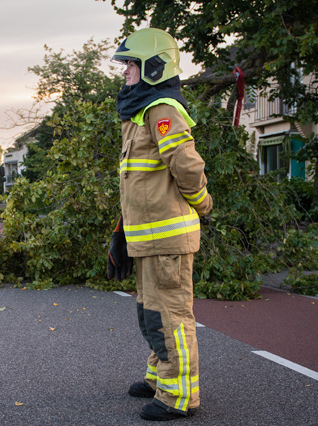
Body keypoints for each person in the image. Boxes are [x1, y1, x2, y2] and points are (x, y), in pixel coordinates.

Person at [107, 28, 213, 422]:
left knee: (170, 314)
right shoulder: (139, 114)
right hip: (147, 239)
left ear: (154, 66)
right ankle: (159, 377)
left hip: (166, 238)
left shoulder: (161, 108)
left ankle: (179, 396)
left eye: (131, 65)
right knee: (151, 312)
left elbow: (187, 166)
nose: (125, 73)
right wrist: (121, 232)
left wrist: (203, 204)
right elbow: (139, 183)